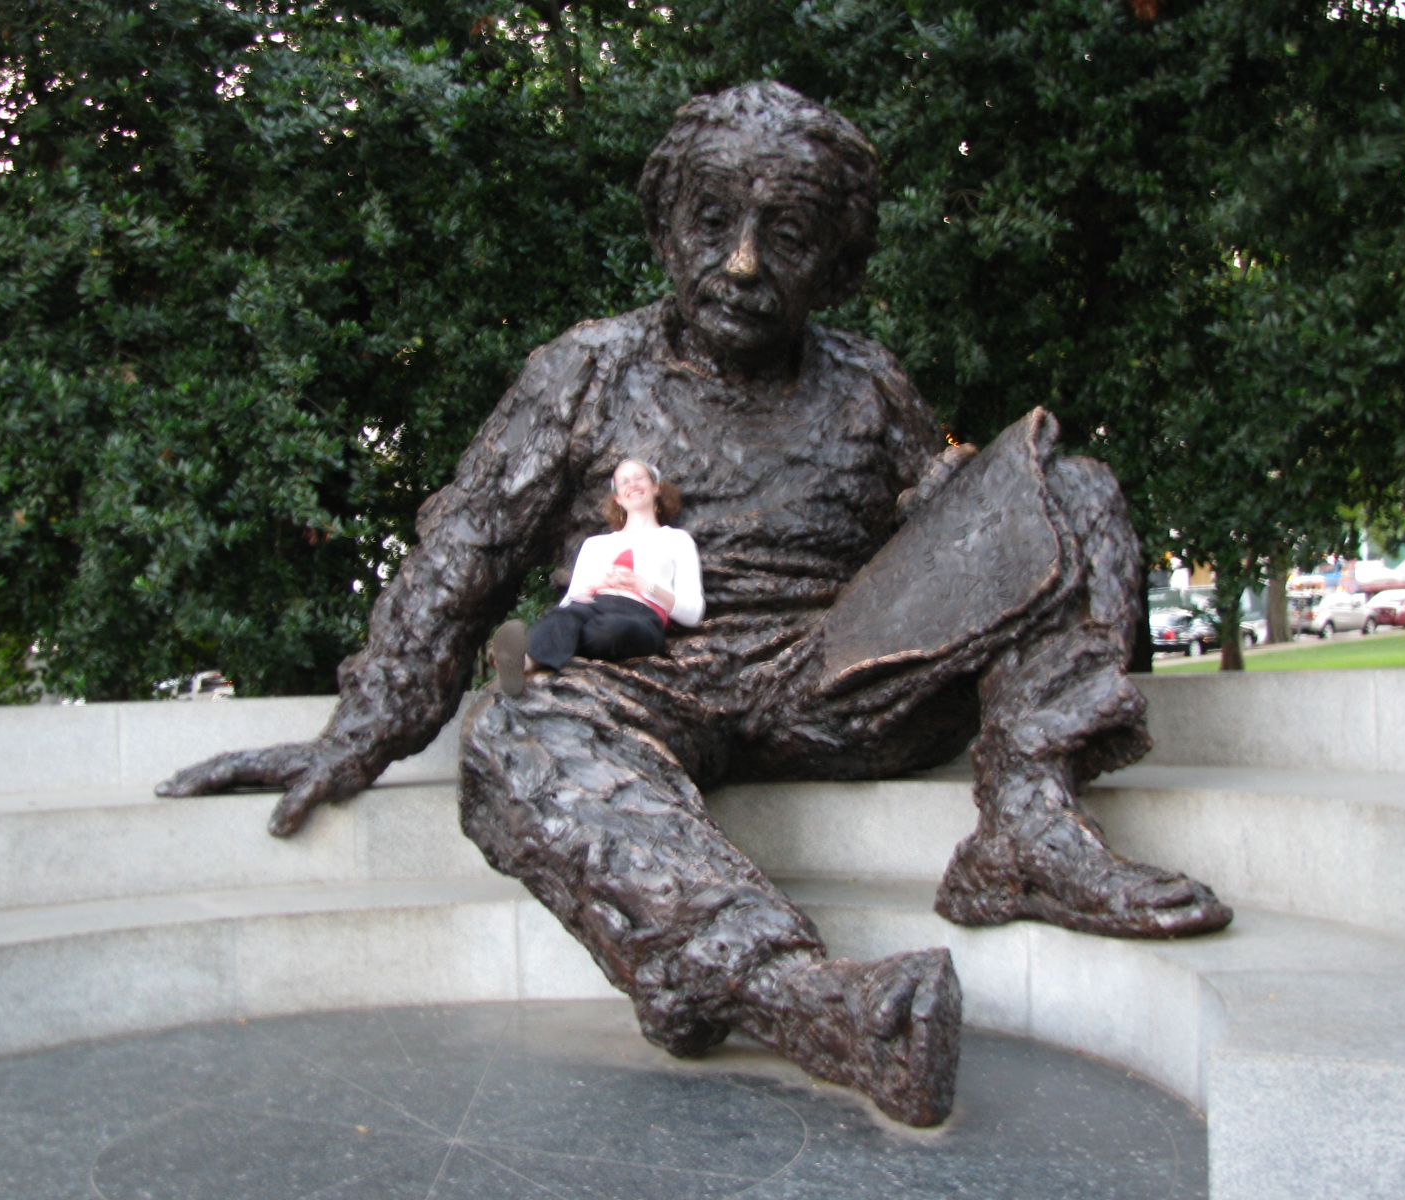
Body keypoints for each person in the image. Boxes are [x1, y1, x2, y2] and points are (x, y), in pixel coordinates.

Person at [158, 82, 1231, 1128]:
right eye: (712, 222)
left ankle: (1030, 829)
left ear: (839, 264)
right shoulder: (582, 372)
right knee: (518, 732)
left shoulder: (867, 382)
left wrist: (966, 495)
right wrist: (359, 732)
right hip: (647, 678)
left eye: (789, 233)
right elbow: (464, 554)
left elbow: (957, 532)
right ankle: (812, 1003)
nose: (743, 263)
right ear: (665, 226)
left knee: (1069, 491)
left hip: (838, 676)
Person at [491, 459, 704, 696]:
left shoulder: (677, 540)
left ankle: (548, 652)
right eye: (624, 481)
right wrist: (592, 587)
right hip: (592, 606)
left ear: (656, 487)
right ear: (617, 498)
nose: (632, 484)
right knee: (560, 619)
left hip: (642, 614)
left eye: (639, 478)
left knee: (608, 631)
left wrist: (644, 586)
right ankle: (523, 664)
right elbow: (569, 602)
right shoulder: (595, 544)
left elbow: (693, 614)